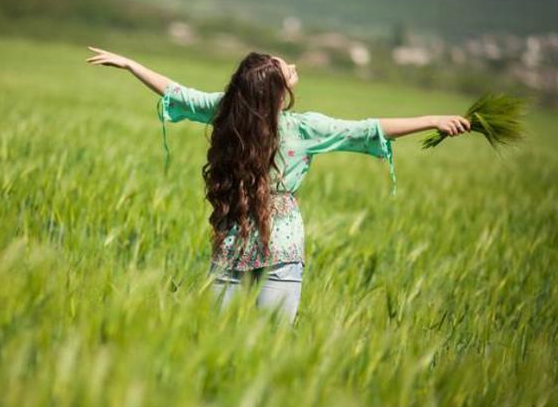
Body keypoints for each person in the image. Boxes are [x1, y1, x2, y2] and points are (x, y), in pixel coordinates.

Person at [85, 47, 471, 325]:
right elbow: (369, 129)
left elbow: (175, 92)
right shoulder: (303, 127)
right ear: (275, 91)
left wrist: (132, 64)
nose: (293, 67)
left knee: (218, 340)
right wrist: (432, 118)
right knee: (268, 348)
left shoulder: (225, 112)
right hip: (274, 248)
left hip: (236, 242)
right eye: (286, 69)